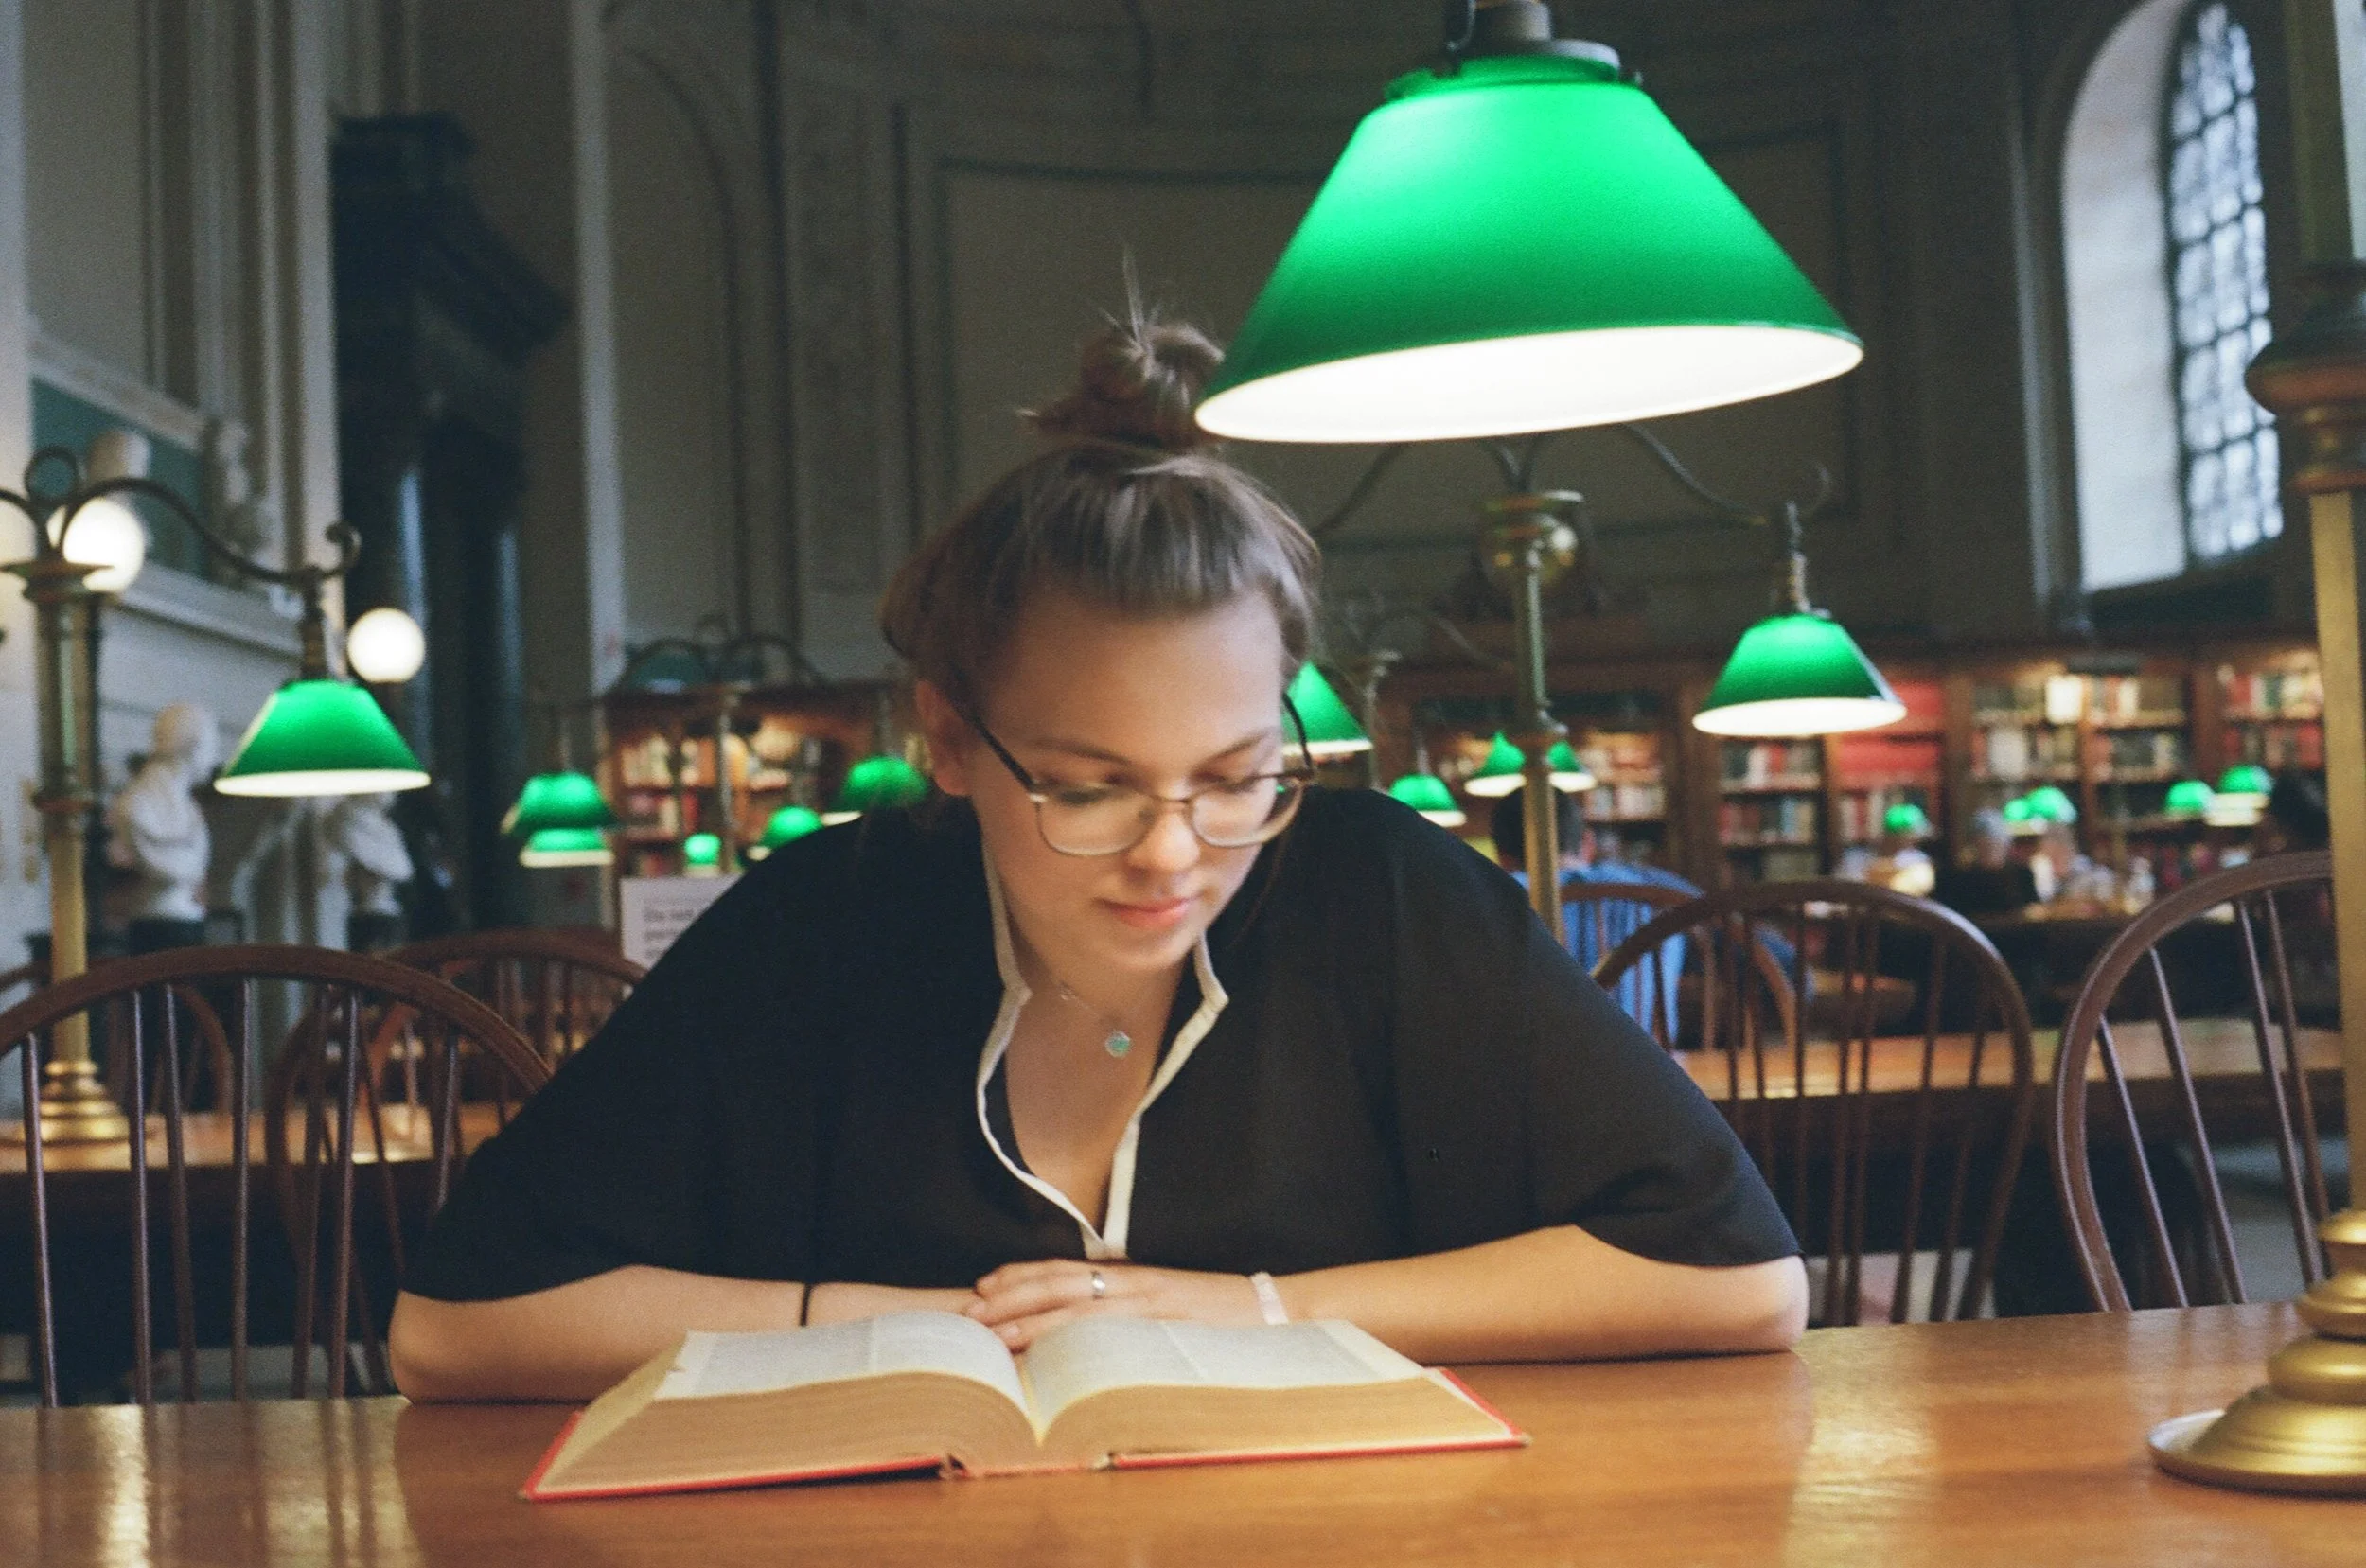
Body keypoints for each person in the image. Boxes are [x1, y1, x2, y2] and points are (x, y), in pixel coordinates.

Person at [388, 314, 1804, 1402]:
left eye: (1239, 777)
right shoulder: (821, 922)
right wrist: (904, 1325)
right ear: (949, 737)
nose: (1174, 852)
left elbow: (1740, 1282)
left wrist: (1244, 1305)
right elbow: (454, 1328)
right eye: (1087, 786)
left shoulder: (1381, 890)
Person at [1490, 789, 1694, 1023]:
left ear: (1501, 856)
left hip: (1541, 1057)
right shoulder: (1656, 888)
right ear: (1588, 842)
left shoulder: (1496, 897)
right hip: (1652, 1056)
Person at [1932, 808, 2038, 919]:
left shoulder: (2022, 874)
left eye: (1995, 844)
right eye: (1984, 845)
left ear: (2006, 844)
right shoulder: (1953, 879)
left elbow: (2033, 910)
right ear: (1974, 845)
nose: (1990, 850)